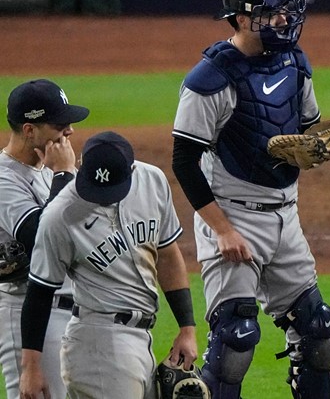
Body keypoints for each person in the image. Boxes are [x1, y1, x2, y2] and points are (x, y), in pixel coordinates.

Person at [171, 0, 330, 398]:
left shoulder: (294, 63)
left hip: (286, 214)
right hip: (233, 214)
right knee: (236, 337)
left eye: (286, 11)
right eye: (272, 13)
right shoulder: (208, 80)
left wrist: (314, 144)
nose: (284, 20)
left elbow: (305, 128)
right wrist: (222, 229)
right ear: (242, 19)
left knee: (318, 327)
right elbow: (184, 163)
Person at [18, 131, 198, 398]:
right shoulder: (59, 215)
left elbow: (168, 255)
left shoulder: (152, 181)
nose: (103, 197)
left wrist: (187, 328)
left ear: (132, 169)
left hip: (140, 339)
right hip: (97, 344)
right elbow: (39, 292)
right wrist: (30, 368)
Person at [0, 79, 89, 399]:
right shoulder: (4, 179)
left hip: (72, 308)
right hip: (27, 310)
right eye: (59, 124)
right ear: (29, 130)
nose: (69, 132)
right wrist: (64, 175)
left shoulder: (46, 168)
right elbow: (40, 237)